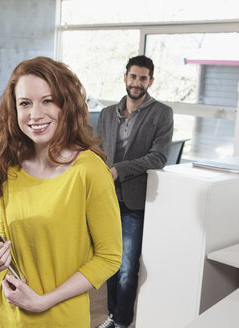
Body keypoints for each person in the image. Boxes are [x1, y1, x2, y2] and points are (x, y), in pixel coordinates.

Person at [0, 56, 123, 327]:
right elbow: (8, 237)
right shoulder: (11, 166)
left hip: (57, 318)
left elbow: (109, 257)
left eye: (47, 100)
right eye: (25, 103)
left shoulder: (89, 170)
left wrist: (44, 301)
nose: (35, 114)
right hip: (0, 316)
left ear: (65, 105)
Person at [95, 55, 173, 328]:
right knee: (109, 263)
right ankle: (113, 315)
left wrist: (119, 169)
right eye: (133, 77)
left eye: (143, 78)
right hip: (105, 200)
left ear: (150, 81)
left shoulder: (162, 113)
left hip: (135, 201)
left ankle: (122, 322)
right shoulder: (107, 114)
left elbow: (159, 157)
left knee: (127, 268)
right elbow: (97, 152)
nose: (136, 83)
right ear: (125, 77)